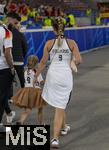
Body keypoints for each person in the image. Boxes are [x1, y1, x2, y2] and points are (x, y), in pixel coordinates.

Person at [35, 17, 82, 148]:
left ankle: (64, 126)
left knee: (59, 105)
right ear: (64, 28)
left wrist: (36, 76)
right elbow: (79, 60)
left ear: (53, 29)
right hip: (65, 77)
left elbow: (43, 62)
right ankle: (55, 138)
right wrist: (72, 61)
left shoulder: (49, 43)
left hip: (52, 77)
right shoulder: (71, 42)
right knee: (60, 107)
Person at [4, 12, 28, 124]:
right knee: (22, 80)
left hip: (10, 62)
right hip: (19, 61)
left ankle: (9, 98)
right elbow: (25, 48)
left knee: (9, 82)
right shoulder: (20, 34)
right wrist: (22, 57)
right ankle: (25, 96)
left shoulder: (7, 34)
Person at [11, 55, 46, 125]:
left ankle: (20, 121)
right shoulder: (36, 72)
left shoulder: (26, 72)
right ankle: (41, 123)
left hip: (27, 91)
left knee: (28, 109)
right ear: (36, 64)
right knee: (40, 109)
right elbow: (41, 82)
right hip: (36, 91)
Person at [0, 22, 15, 132]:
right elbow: (7, 53)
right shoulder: (6, 32)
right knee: (2, 96)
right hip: (4, 68)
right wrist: (12, 68)